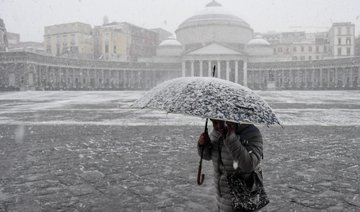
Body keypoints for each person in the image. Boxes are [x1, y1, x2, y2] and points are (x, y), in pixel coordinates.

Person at [197, 119, 264, 212]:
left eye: (221, 122)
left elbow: (249, 165)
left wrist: (231, 138)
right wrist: (203, 144)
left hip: (243, 195)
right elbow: (208, 156)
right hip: (221, 193)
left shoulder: (251, 133)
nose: (218, 126)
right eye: (214, 123)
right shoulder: (216, 132)